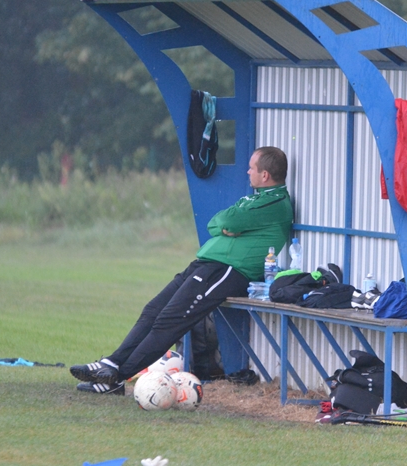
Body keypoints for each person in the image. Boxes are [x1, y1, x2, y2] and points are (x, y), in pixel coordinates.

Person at [70, 146, 293, 394]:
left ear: (265, 176)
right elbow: (215, 222)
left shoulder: (274, 203)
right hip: (205, 265)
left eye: (252, 167)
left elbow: (228, 221)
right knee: (153, 310)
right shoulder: (256, 199)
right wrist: (228, 226)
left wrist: (230, 226)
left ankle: (116, 378)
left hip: (226, 271)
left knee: (169, 321)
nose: (247, 171)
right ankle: (111, 362)